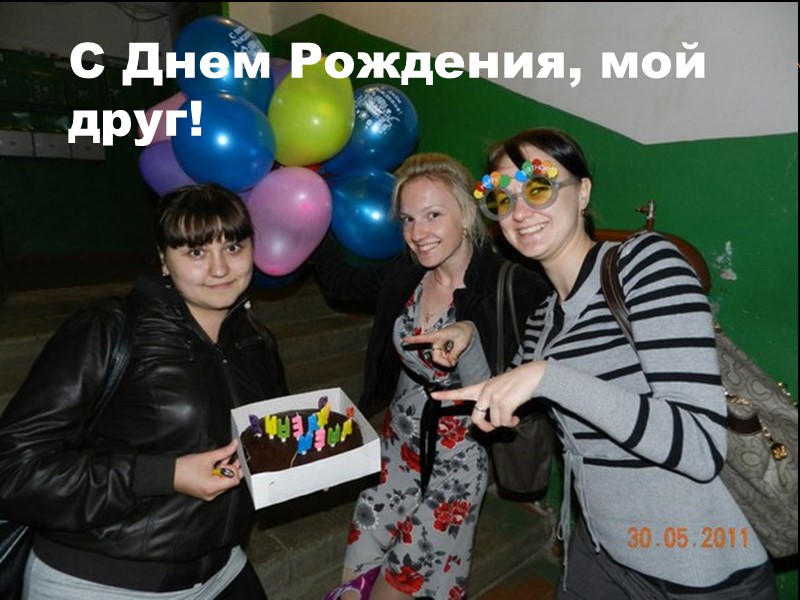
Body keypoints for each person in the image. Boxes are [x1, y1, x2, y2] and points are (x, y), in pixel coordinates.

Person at [431, 128, 778, 598]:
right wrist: (469, 342)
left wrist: (551, 377)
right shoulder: (544, 318)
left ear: (583, 193)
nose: (520, 212)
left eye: (538, 188)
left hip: (698, 573)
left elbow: (699, 446)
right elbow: (501, 405)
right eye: (502, 199)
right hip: (599, 550)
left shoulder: (645, 264)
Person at [0, 183, 287, 599]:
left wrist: (302, 466)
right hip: (101, 579)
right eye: (196, 252)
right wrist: (163, 475)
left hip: (220, 567)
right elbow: (12, 470)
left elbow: (261, 441)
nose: (220, 269)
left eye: (233, 247)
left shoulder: (255, 340)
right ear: (164, 261)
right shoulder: (109, 329)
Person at [312, 153, 550, 600]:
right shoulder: (405, 273)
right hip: (397, 449)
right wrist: (311, 214)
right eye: (407, 219)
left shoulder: (514, 286)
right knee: (357, 570)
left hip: (459, 460)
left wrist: (470, 339)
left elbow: (516, 394)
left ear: (467, 213)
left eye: (433, 215)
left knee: (401, 582)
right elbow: (342, 284)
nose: (418, 233)